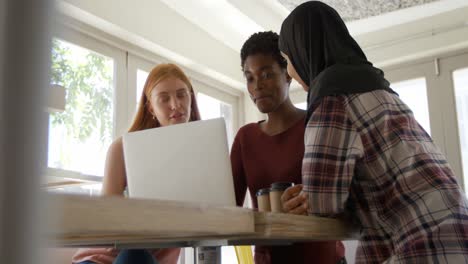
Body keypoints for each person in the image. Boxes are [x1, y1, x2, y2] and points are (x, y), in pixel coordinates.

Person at [279, 1, 468, 263]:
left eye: (288, 60)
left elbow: (322, 203)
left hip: (422, 246)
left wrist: (305, 199)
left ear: (303, 52)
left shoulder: (331, 96)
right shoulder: (380, 90)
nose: (290, 72)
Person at [230, 31, 345, 264]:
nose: (257, 86)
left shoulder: (317, 125)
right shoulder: (245, 138)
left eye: (266, 74)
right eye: (250, 77)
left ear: (288, 75)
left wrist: (317, 201)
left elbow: (346, 199)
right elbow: (226, 208)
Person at [72, 63, 201, 264]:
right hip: (102, 259)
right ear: (151, 107)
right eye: (164, 99)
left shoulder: (201, 154)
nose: (175, 105)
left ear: (191, 98)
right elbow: (107, 219)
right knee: (136, 254)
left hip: (150, 261)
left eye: (181, 95)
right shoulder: (122, 148)